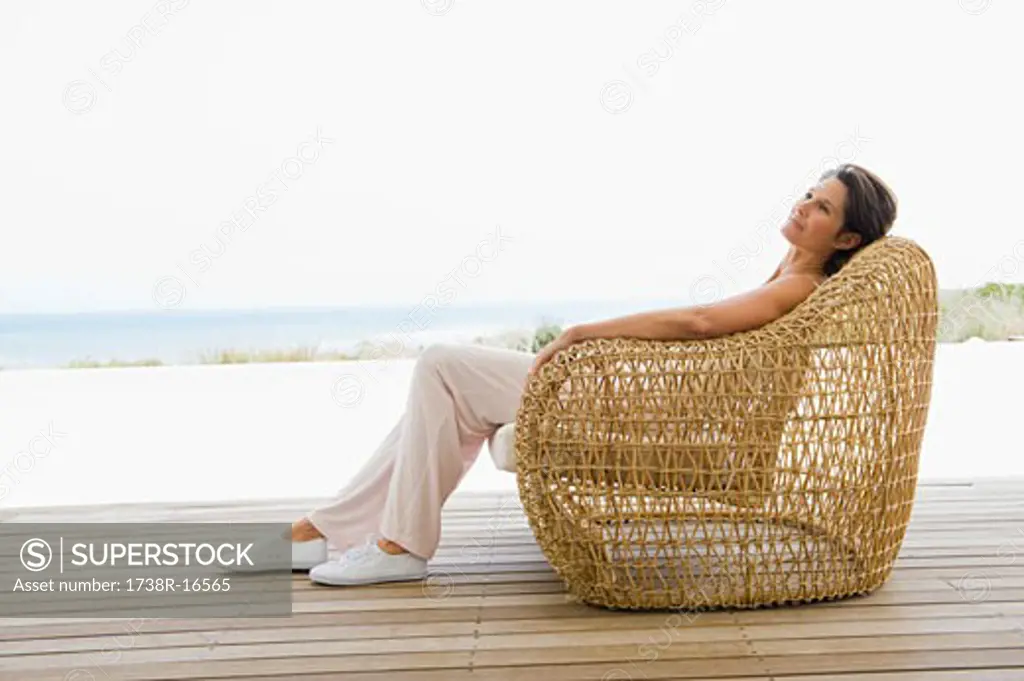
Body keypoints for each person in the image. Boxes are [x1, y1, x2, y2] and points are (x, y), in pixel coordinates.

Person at [292, 162, 898, 587]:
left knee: (442, 365)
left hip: (650, 412)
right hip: (647, 397)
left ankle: (396, 546)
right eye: (809, 194)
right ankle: (334, 530)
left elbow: (700, 322)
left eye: (822, 208)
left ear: (845, 236)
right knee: (447, 393)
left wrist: (585, 332)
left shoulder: (799, 284)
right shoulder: (786, 272)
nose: (804, 206)